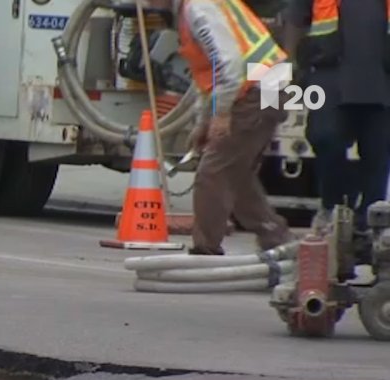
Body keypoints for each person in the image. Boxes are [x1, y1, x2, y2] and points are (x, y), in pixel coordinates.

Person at [150, 0, 298, 254]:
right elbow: (210, 75)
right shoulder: (202, 6)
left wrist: (220, 115)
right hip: (268, 86)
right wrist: (203, 122)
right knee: (235, 170)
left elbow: (228, 65)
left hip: (256, 90)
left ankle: (206, 248)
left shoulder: (199, 8)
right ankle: (276, 235)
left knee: (213, 171)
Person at [281, 0, 390, 249]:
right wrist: (290, 66)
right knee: (323, 135)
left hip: (382, 75)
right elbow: (296, 19)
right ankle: (332, 205)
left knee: (378, 151)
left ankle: (369, 228)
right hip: (326, 72)